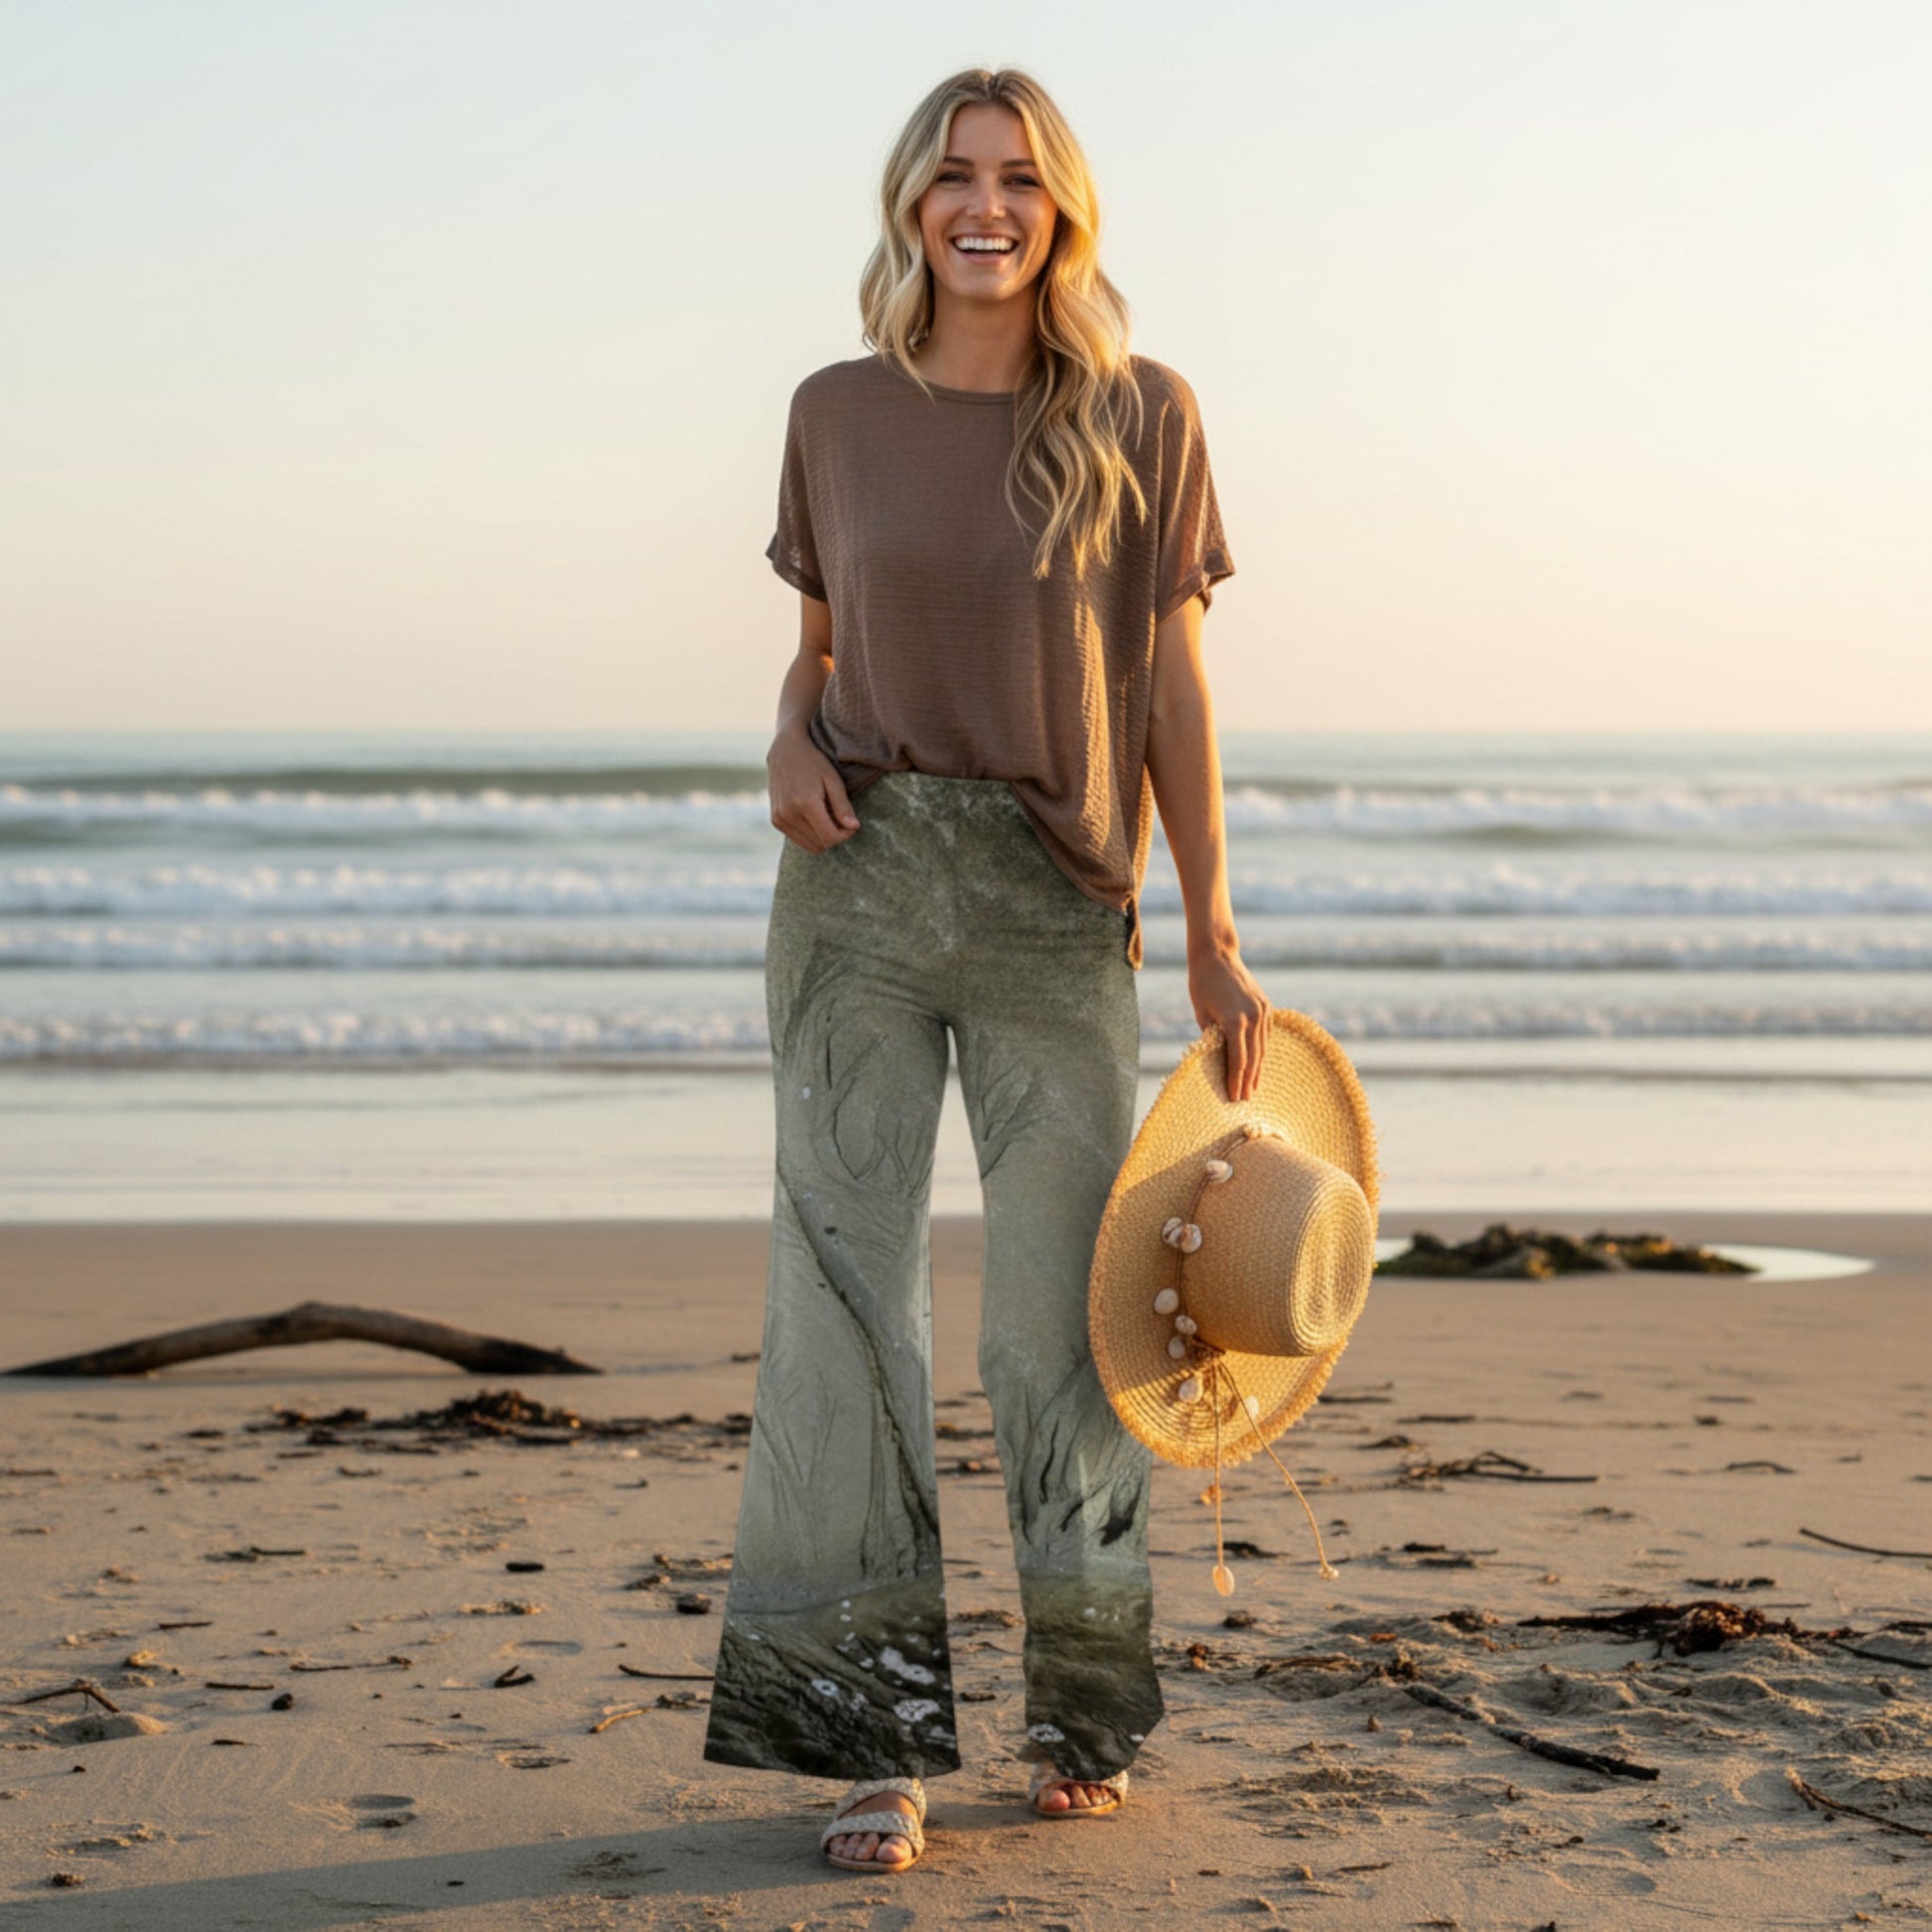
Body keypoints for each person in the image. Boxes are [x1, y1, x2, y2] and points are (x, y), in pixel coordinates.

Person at [701, 65, 1270, 1873]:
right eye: (954, 176)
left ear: (1061, 209)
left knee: (1059, 1326)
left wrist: (1210, 929)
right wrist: (781, 743)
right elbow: (819, 651)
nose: (985, 205)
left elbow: (1173, 689)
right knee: (843, 1309)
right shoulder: (833, 410)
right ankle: (866, 1744)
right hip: (854, 891)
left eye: (1019, 178)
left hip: (1053, 900)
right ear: (909, 204)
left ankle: (1082, 1707)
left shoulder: (1142, 411)